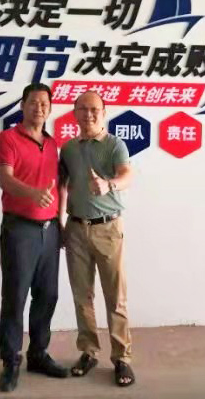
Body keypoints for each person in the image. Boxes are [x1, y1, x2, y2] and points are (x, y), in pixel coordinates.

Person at [0, 83, 69, 392]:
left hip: (50, 230)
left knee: (48, 295)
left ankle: (38, 354)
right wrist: (33, 194)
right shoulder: (7, 139)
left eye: (44, 104)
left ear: (50, 109)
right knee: (15, 297)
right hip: (19, 229)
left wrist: (60, 222)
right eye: (33, 102)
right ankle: (11, 361)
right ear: (22, 105)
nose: (39, 108)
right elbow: (6, 180)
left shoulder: (52, 144)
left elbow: (59, 186)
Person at [59, 90, 136, 387]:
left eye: (94, 109)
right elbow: (61, 186)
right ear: (74, 113)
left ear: (104, 113)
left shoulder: (115, 145)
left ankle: (122, 358)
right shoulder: (68, 148)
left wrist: (109, 184)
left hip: (108, 229)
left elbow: (127, 175)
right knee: (82, 296)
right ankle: (88, 352)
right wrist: (61, 222)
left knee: (115, 297)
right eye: (83, 109)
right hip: (76, 229)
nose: (88, 114)